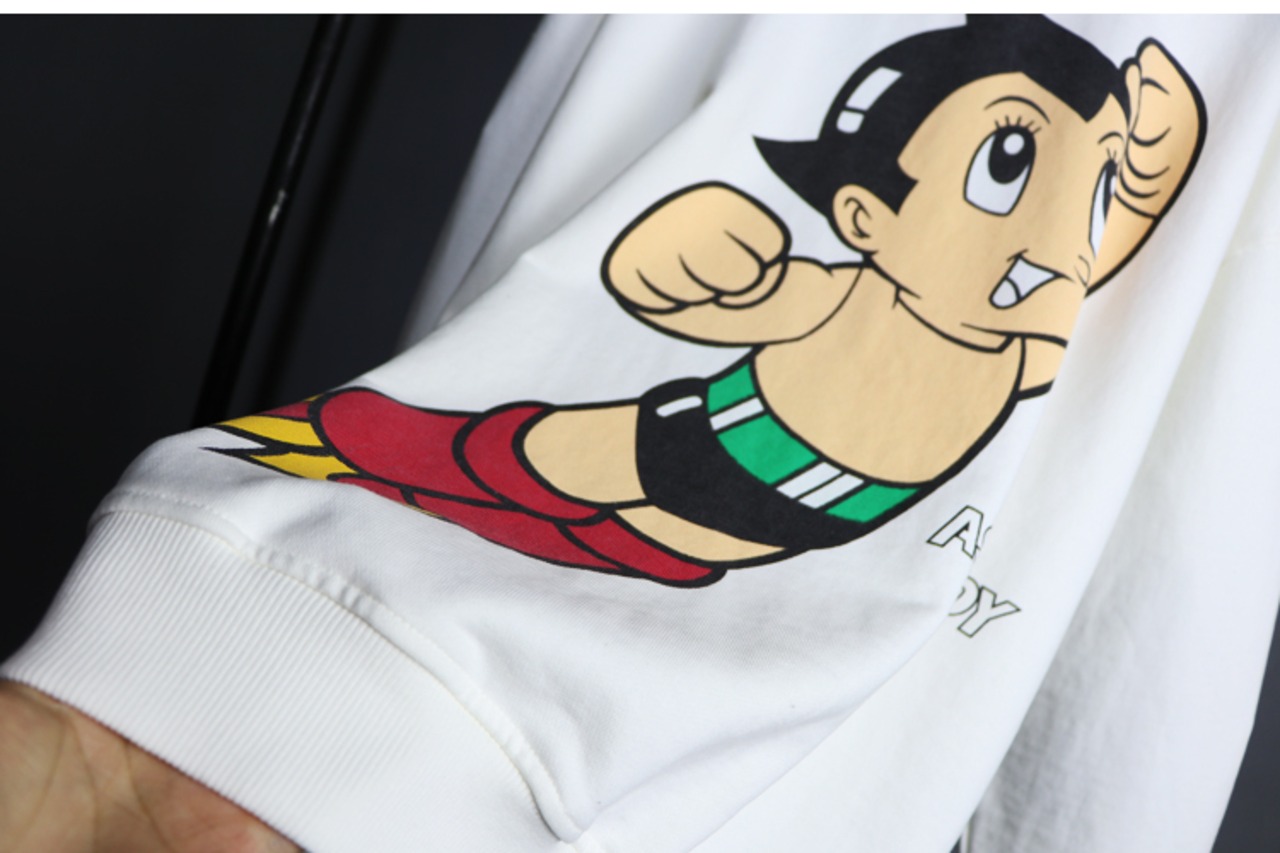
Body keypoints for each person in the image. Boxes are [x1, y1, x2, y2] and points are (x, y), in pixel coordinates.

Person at [4, 15, 1279, 852]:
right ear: (862, 215)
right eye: (1003, 165)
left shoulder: (1027, 330)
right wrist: (706, 279)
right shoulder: (862, 291)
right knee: (532, 464)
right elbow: (706, 296)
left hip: (740, 535)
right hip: (700, 446)